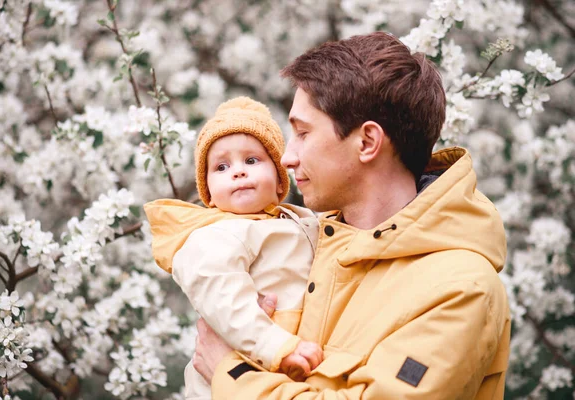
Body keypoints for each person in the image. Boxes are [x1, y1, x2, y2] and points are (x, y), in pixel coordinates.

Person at [192, 32, 511, 399]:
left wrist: (230, 372)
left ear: (367, 142)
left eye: (303, 134)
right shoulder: (303, 246)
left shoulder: (460, 289)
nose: (286, 157)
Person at [144, 97, 324, 400]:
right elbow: (223, 299)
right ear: (209, 194)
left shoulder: (299, 219)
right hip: (248, 360)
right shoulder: (217, 235)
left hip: (290, 364)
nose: (238, 172)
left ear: (280, 182)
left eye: (251, 161)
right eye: (222, 166)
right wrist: (276, 346)